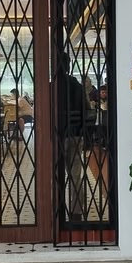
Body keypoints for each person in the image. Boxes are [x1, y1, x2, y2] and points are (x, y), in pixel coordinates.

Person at [56, 53, 90, 223]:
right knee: (75, 175)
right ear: (68, 65)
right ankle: (76, 213)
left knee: (54, 174)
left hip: (56, 137)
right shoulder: (77, 86)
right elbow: (87, 110)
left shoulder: (52, 86)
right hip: (75, 135)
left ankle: (56, 209)